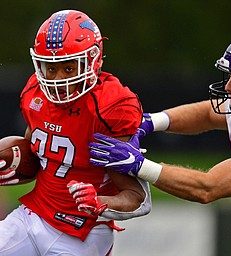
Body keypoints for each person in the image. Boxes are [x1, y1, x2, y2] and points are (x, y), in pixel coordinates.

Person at [88, 31, 231, 255]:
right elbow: (208, 114)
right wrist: (150, 121)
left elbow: (208, 188)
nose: (228, 86)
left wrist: (138, 165)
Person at [0, 9, 151, 256]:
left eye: (68, 69)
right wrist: (13, 165)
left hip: (84, 232)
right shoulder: (34, 93)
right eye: (51, 68)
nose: (58, 79)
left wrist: (100, 202)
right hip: (34, 216)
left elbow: (138, 198)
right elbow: (37, 158)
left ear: (93, 60)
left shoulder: (110, 107)